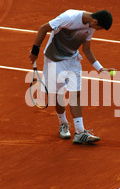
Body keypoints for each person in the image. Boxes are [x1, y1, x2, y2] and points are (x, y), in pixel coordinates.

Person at [29, 9, 115, 144]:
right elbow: (43, 28)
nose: (97, 30)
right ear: (95, 21)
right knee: (59, 94)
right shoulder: (69, 17)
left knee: (76, 93)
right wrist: (35, 51)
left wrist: (100, 68)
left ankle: (80, 132)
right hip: (54, 59)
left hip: (72, 59)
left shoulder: (90, 26)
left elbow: (86, 48)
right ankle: (63, 123)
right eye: (99, 28)